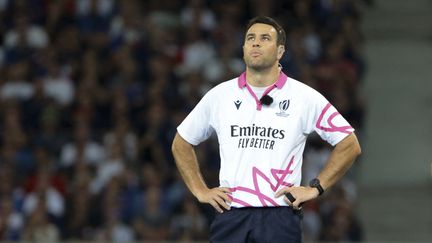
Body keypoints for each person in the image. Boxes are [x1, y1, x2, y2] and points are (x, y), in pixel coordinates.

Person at [171, 16, 361, 243]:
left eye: (265, 38)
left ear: (280, 51)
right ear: (243, 49)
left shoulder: (304, 97)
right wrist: (200, 190)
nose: (256, 43)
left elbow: (350, 144)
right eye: (250, 38)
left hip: (279, 216)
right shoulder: (220, 96)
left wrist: (315, 188)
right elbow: (181, 142)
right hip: (231, 213)